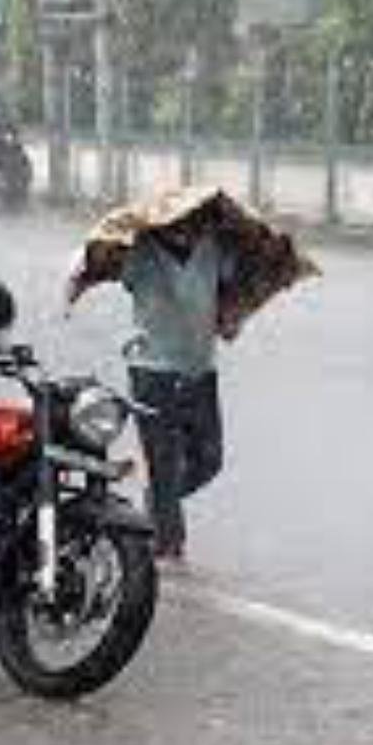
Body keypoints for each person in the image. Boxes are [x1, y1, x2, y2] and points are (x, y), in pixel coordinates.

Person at [113, 213, 238, 565]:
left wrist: (229, 315)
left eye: (195, 223)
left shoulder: (214, 247)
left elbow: (227, 288)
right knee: (163, 459)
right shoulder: (141, 250)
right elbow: (126, 280)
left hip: (200, 368)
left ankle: (159, 500)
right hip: (151, 369)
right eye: (178, 224)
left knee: (209, 459)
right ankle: (166, 546)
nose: (187, 230)